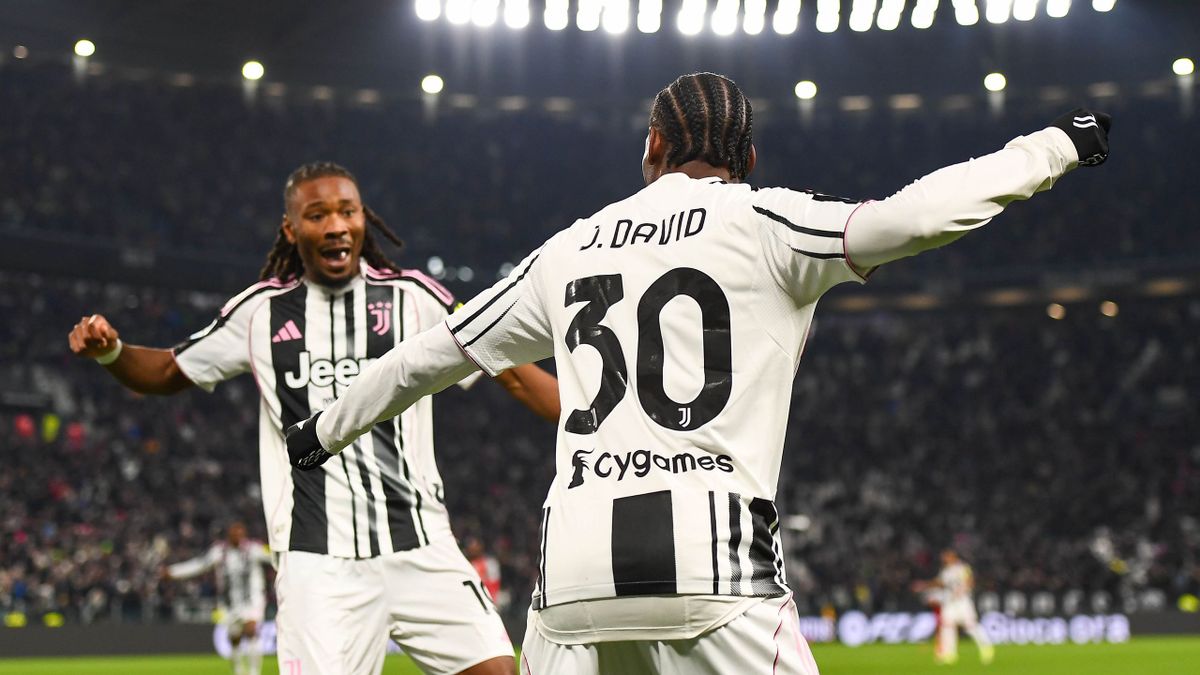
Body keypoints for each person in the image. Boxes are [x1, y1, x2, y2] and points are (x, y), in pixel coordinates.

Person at [284, 73, 1111, 674]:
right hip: (712, 563)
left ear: (652, 147)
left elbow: (432, 354)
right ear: (747, 155)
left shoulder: (568, 248)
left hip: (573, 568)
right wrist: (1059, 146)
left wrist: (321, 428)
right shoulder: (769, 220)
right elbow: (916, 217)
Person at [67, 162, 561, 675]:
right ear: (291, 229)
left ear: (363, 219)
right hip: (318, 564)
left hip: (422, 544)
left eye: (347, 211)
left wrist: (599, 415)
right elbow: (170, 370)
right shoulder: (260, 312)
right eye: (317, 215)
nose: (335, 226)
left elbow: (516, 375)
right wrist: (112, 352)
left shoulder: (416, 299)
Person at [163, 522, 272, 675]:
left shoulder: (254, 549)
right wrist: (173, 572)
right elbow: (199, 565)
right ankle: (238, 670)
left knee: (251, 630)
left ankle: (254, 672)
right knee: (234, 638)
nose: (238, 537)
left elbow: (274, 557)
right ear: (229, 535)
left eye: (240, 534)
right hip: (229, 603)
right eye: (235, 534)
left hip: (253, 601)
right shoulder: (219, 552)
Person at [919, 549, 995, 665]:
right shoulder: (945, 571)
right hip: (949, 602)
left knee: (970, 626)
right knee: (947, 626)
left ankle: (986, 648)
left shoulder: (962, 568)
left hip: (962, 601)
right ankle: (949, 654)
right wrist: (925, 585)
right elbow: (941, 583)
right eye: (944, 558)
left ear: (953, 557)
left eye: (947, 557)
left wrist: (963, 590)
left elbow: (970, 581)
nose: (944, 559)